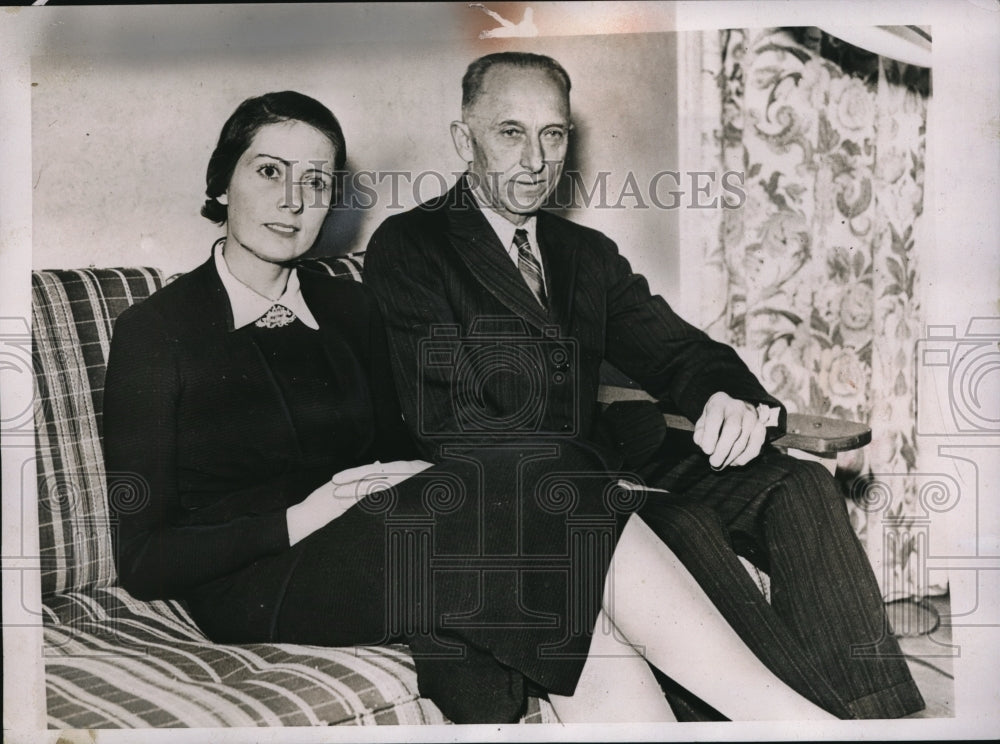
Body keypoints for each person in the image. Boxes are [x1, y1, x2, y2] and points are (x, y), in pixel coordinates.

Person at [103, 90, 847, 725]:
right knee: (538, 510)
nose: (293, 200)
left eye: (317, 181)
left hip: (367, 537)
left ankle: (770, 721)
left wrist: (388, 479)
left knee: (552, 528)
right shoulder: (155, 332)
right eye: (268, 172)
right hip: (257, 578)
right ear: (222, 183)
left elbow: (420, 440)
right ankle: (789, 722)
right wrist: (307, 512)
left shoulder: (348, 307)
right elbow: (141, 557)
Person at [363, 52, 926, 720]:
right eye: (511, 132)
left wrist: (724, 396)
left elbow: (679, 351)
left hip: (624, 462)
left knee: (798, 483)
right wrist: (607, 485)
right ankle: (811, 723)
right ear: (465, 139)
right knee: (681, 523)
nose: (537, 157)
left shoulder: (583, 255)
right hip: (533, 499)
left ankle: (882, 719)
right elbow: (450, 423)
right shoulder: (412, 245)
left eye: (554, 134)